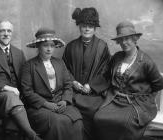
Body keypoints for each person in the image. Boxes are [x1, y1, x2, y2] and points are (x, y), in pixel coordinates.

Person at [93, 21, 163, 140]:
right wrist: (91, 86)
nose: (124, 43)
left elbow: (159, 84)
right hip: (116, 99)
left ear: (134, 39)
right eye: (121, 40)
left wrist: (145, 94)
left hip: (136, 103)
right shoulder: (117, 57)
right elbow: (105, 75)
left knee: (124, 123)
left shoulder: (146, 61)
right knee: (98, 117)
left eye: (127, 39)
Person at [0, 20, 41, 140]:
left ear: (12, 33)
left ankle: (16, 133)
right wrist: (7, 88)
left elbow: (25, 79)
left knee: (37, 99)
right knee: (10, 96)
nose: (6, 34)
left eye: (9, 31)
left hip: (19, 96)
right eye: (2, 30)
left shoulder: (19, 53)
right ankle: (33, 137)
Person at [20, 28, 83, 140]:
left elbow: (68, 85)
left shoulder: (60, 63)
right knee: (58, 122)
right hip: (39, 108)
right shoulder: (28, 66)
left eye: (52, 45)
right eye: (45, 45)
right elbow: (27, 92)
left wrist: (64, 100)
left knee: (77, 121)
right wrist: (47, 104)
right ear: (38, 46)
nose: (49, 49)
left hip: (60, 104)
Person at [62, 7, 111, 140]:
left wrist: (91, 85)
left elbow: (106, 71)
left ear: (95, 28)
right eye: (84, 26)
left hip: (94, 93)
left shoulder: (102, 46)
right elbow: (64, 69)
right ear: (79, 27)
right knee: (70, 112)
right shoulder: (71, 46)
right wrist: (73, 82)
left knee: (96, 112)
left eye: (90, 26)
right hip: (74, 91)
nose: (87, 29)